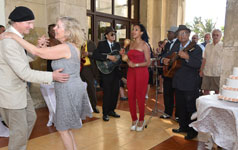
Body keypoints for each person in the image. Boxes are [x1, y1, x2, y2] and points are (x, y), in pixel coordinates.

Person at [1, 16, 93, 150]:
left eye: (58, 26)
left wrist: (14, 37)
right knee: (66, 129)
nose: (54, 28)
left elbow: (37, 52)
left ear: (68, 32)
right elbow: (40, 52)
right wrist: (40, 47)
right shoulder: (68, 46)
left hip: (68, 90)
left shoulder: (66, 47)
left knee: (62, 128)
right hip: (68, 88)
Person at [0, 6, 69, 150]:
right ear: (17, 22)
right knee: (19, 132)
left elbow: (21, 60)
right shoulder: (9, 42)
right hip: (11, 95)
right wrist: (52, 76)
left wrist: (37, 49)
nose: (32, 27)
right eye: (29, 23)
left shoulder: (15, 39)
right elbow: (25, 73)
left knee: (30, 119)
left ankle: (18, 145)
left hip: (20, 91)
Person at [170, 25, 202, 140]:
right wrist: (164, 60)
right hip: (178, 82)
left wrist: (187, 57)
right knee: (180, 107)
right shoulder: (176, 46)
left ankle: (192, 131)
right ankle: (183, 126)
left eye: (184, 33)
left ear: (188, 35)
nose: (181, 36)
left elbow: (198, 64)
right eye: (179, 34)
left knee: (191, 108)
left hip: (190, 83)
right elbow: (167, 57)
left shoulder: (196, 48)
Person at [124, 24, 150, 132]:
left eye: (136, 30)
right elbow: (129, 59)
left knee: (140, 96)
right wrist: (127, 61)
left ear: (141, 33)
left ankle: (141, 120)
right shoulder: (131, 44)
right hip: (131, 72)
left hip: (141, 72)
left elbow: (148, 62)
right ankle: (134, 119)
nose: (133, 31)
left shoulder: (145, 45)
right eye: (133, 30)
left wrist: (137, 65)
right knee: (130, 96)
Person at [93, 27, 121, 121]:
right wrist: (108, 57)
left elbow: (120, 58)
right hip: (105, 72)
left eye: (114, 34)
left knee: (115, 92)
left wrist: (122, 56)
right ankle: (105, 113)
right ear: (106, 35)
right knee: (107, 92)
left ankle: (112, 111)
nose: (114, 36)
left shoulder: (117, 45)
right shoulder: (101, 44)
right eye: (112, 34)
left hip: (116, 72)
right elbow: (95, 55)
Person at [159, 26, 180, 120]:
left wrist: (167, 58)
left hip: (176, 72)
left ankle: (179, 115)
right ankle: (167, 112)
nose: (168, 34)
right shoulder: (167, 44)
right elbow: (163, 54)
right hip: (167, 72)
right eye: (168, 33)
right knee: (167, 93)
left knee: (178, 94)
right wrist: (162, 59)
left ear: (175, 34)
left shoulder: (180, 43)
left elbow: (175, 54)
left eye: (170, 33)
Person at [200, 29, 223, 95]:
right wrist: (201, 70)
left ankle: (216, 105)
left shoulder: (223, 46)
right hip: (207, 72)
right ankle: (207, 105)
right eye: (214, 35)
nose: (215, 36)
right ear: (212, 36)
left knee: (217, 92)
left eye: (217, 35)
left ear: (220, 36)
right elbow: (204, 59)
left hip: (217, 73)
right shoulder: (207, 46)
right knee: (205, 91)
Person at [80, 40, 100, 113]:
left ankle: (93, 106)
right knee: (79, 89)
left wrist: (88, 53)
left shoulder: (90, 43)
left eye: (84, 33)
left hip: (88, 68)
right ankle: (81, 107)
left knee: (91, 87)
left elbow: (96, 54)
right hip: (78, 68)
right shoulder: (76, 44)